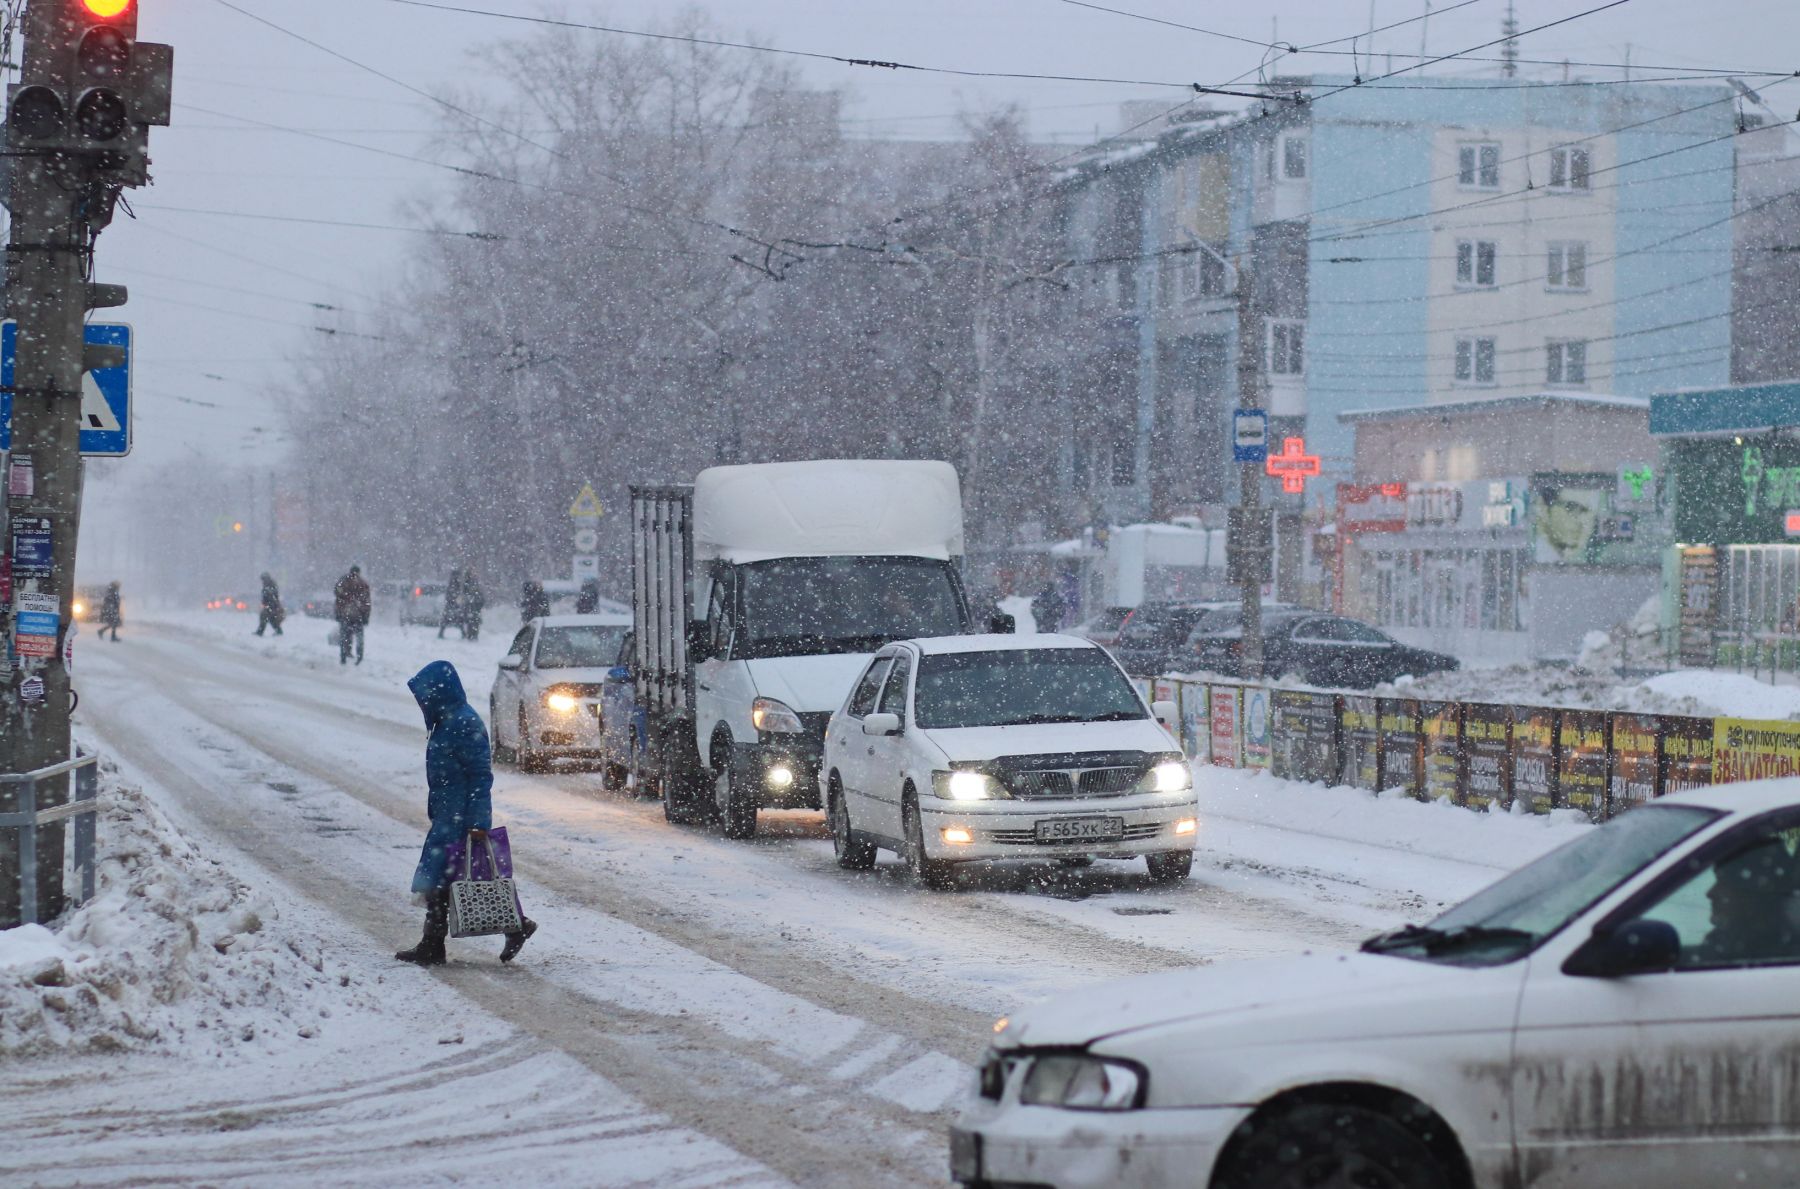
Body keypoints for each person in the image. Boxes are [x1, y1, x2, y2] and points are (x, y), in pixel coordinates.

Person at [396, 660, 537, 966]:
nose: (423, 703)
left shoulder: (464, 723)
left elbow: (480, 776)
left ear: (440, 692)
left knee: (448, 880)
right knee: (449, 881)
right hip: (448, 816)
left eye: (426, 696)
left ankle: (434, 945)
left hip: (460, 819)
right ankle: (513, 926)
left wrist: (478, 821)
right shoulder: (445, 722)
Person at [334, 564, 371, 665]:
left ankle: (343, 656)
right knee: (359, 637)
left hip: (345, 614)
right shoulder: (363, 584)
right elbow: (367, 602)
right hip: (358, 616)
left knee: (345, 637)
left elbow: (338, 596)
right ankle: (359, 657)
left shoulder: (343, 582)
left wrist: (338, 613)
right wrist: (366, 617)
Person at [255, 572, 285, 637]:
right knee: (272, 619)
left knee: (264, 617)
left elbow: (272, 595)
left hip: (272, 605)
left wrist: (269, 602)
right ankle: (278, 631)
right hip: (270, 605)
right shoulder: (267, 585)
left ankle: (260, 632)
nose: (262, 580)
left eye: (263, 579)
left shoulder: (271, 585)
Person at [438, 569, 465, 640]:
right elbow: (454, 593)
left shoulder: (452, 582)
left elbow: (449, 593)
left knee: (447, 619)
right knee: (458, 619)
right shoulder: (456, 582)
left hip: (451, 603)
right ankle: (463, 633)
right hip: (453, 603)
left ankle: (441, 632)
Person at [460, 571, 485, 641]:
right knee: (473, 621)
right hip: (473, 607)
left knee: (472, 621)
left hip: (473, 607)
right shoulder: (470, 585)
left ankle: (472, 634)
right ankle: (472, 634)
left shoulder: (470, 585)